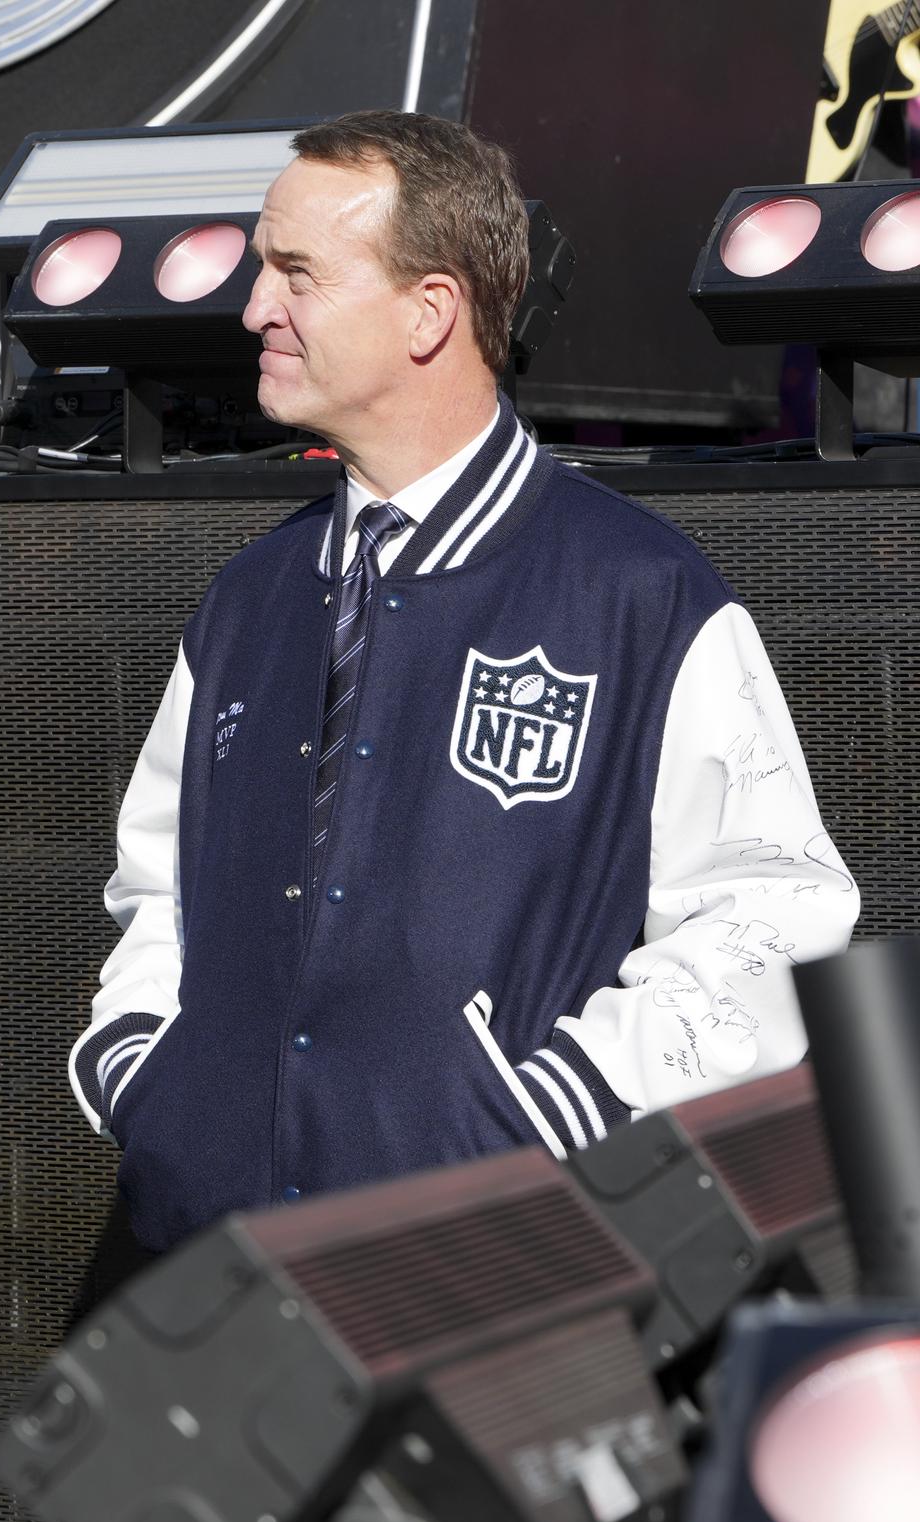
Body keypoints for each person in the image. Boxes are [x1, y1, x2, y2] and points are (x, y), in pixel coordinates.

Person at [66, 110, 860, 1253]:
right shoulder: (248, 601)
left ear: (430, 311)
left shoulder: (640, 593)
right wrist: (151, 1079)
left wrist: (547, 1117)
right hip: (215, 1289)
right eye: (258, 269)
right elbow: (158, 890)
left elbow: (776, 917)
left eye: (296, 273)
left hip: (500, 1292)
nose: (255, 309)